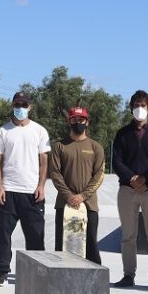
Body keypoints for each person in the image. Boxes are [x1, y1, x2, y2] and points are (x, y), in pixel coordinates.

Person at [0, 91, 51, 287]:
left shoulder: (39, 131)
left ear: (30, 107)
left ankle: (37, 274)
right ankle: (1, 272)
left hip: (32, 192)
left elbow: (44, 160)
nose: (21, 108)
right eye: (17, 104)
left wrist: (41, 185)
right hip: (9, 190)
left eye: (24, 104)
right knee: (4, 235)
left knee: (35, 235)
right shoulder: (3, 131)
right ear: (12, 105)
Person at [111, 90, 148, 289]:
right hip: (127, 190)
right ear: (130, 108)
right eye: (136, 105)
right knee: (128, 235)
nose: (139, 109)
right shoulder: (122, 134)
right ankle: (129, 275)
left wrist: (146, 179)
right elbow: (116, 161)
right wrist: (131, 178)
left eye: (142, 105)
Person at [49, 106, 105, 264]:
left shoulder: (96, 147)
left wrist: (82, 196)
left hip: (89, 205)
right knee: (63, 245)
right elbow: (55, 173)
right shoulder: (60, 146)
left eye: (81, 120)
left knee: (90, 244)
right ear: (69, 121)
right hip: (64, 205)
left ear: (87, 122)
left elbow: (99, 175)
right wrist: (68, 196)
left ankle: (94, 280)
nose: (77, 122)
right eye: (74, 119)